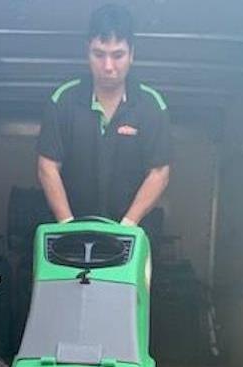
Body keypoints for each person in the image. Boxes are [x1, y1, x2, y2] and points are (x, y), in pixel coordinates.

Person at [37, 3, 171, 230]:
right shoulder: (63, 100)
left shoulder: (151, 106)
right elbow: (47, 166)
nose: (108, 66)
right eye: (99, 54)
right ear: (87, 50)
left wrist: (127, 226)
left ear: (132, 54)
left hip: (132, 235)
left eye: (117, 55)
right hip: (70, 234)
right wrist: (68, 226)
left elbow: (159, 172)